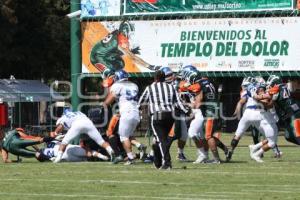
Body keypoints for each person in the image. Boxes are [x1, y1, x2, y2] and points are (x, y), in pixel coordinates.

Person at [138, 70, 189, 170]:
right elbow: (178, 102)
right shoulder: (170, 87)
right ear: (164, 78)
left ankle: (167, 163)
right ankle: (157, 162)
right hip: (170, 116)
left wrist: (138, 110)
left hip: (157, 115)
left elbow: (141, 102)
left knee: (161, 140)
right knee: (161, 140)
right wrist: (187, 111)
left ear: (155, 78)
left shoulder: (150, 88)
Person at [103, 69, 145, 165]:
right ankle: (137, 148)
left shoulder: (117, 85)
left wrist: (104, 104)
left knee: (123, 137)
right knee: (127, 136)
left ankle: (130, 158)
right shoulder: (134, 85)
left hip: (126, 112)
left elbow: (109, 100)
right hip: (136, 113)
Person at [253, 75, 300, 146]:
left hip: (293, 114)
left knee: (297, 135)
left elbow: (265, 96)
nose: (269, 87)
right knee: (288, 136)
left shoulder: (276, 87)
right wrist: (260, 101)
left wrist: (255, 96)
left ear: (274, 83)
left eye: (270, 85)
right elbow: (270, 105)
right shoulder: (285, 86)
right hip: (291, 113)